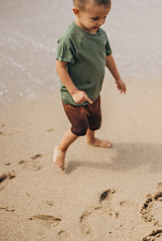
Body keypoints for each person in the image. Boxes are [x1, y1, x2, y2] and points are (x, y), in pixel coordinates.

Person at [53, 0, 126, 170]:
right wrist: (74, 91)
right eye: (95, 18)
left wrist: (118, 78)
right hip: (73, 96)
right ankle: (61, 148)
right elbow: (60, 66)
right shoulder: (69, 38)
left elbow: (108, 56)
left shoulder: (100, 34)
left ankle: (91, 139)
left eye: (105, 17)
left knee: (95, 122)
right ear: (77, 12)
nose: (100, 22)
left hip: (93, 91)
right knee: (79, 128)